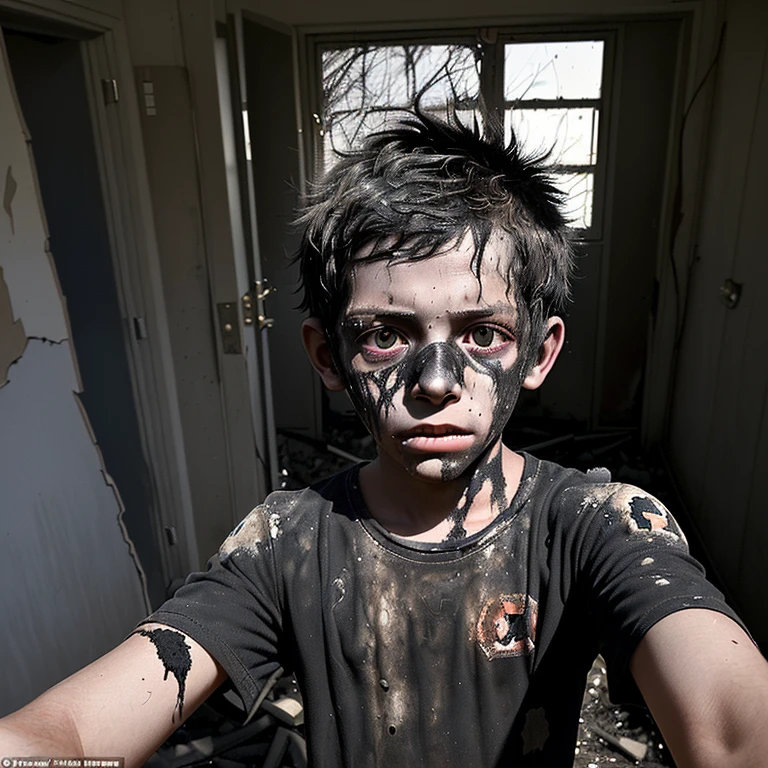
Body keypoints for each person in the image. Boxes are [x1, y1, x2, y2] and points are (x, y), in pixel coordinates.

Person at [2, 109, 768, 767]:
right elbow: (65, 732)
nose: (437, 379)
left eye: (483, 332)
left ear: (539, 352)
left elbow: (734, 726)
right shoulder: (287, 543)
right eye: (385, 336)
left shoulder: (597, 526)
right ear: (328, 356)